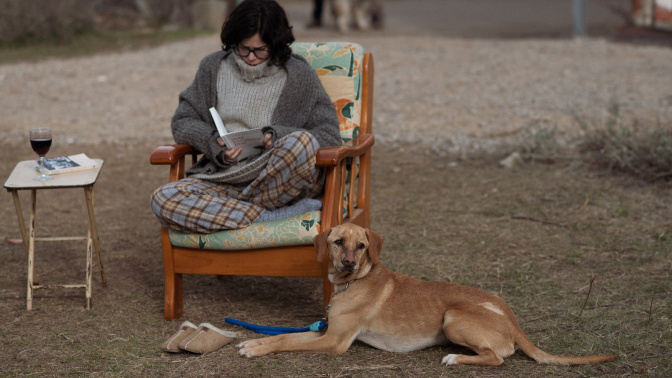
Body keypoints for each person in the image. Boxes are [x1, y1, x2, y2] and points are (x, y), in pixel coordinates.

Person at [151, 0, 341, 234]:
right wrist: (214, 144)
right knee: (163, 198)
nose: (250, 56)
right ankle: (270, 215)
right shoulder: (212, 67)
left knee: (301, 142)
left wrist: (277, 136)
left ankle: (239, 210)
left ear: (277, 44)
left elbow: (329, 135)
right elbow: (183, 120)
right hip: (227, 177)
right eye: (243, 48)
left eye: (260, 50)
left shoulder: (299, 75)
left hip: (279, 180)